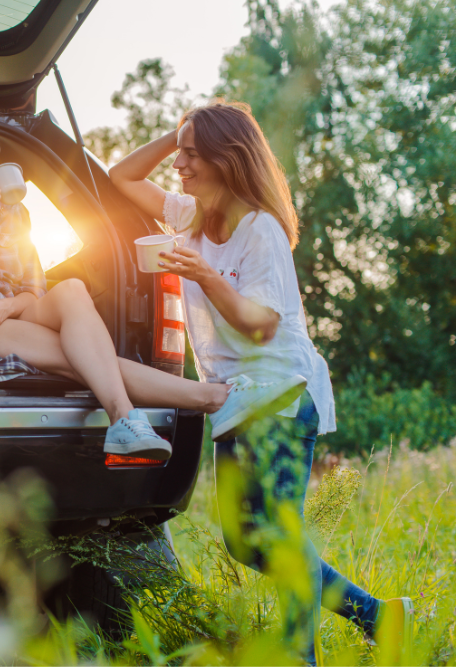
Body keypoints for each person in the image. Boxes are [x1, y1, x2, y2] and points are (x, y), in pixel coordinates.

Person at [108, 99, 412, 663]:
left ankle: (302, 656)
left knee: (276, 532)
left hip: (281, 393)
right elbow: (120, 176)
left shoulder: (261, 229)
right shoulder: (189, 215)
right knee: (247, 543)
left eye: (193, 154)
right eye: (181, 153)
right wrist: (171, 133)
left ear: (227, 159)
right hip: (232, 400)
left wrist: (203, 275)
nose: (180, 164)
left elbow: (261, 323)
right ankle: (379, 616)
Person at [0, 92, 303, 461]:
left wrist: (10, 304)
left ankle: (161, 412)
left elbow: (33, 288)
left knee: (73, 289)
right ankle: (186, 404)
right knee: (85, 357)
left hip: (11, 315)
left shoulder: (16, 212)